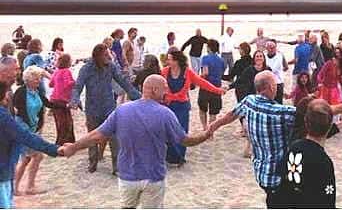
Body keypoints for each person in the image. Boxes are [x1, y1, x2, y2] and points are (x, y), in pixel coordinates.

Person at [61, 75, 218, 209]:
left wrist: (74, 147)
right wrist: (205, 135)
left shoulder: (122, 110)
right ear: (154, 90)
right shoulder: (165, 114)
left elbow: (96, 135)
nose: (167, 92)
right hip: (153, 177)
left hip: (127, 177)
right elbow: (185, 140)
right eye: (164, 88)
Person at [210, 71, 298, 208]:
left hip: (261, 173)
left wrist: (213, 126)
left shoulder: (249, 101)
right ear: (270, 87)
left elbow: (231, 115)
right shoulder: (281, 112)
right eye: (275, 84)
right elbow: (313, 114)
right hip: (278, 177)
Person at [70, 43, 142, 174]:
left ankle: (117, 167)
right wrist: (74, 100)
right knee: (92, 137)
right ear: (97, 56)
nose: (109, 57)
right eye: (105, 55)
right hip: (92, 108)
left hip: (109, 107)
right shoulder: (86, 69)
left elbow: (123, 82)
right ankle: (93, 163)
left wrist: (138, 97)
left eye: (108, 54)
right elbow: (78, 86)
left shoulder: (111, 67)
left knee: (115, 138)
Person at [0, 81, 61, 208]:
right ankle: (27, 186)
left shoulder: (35, 92)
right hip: (3, 169)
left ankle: (23, 186)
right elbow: (25, 136)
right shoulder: (3, 114)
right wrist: (56, 150)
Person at [161, 48, 224, 165]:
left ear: (177, 60)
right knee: (168, 131)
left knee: (181, 132)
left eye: (169, 59)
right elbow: (156, 85)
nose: (168, 61)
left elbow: (202, 83)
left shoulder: (187, 72)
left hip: (182, 107)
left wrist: (217, 90)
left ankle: (180, 157)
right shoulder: (164, 72)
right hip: (168, 106)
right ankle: (170, 158)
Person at [276, 99, 337, 208]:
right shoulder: (323, 161)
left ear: (305, 121)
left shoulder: (294, 147)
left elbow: (281, 175)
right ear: (330, 126)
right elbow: (328, 198)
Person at [13, 66, 56, 196]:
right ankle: (29, 186)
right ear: (28, 79)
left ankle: (15, 187)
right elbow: (16, 112)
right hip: (24, 130)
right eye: (36, 78)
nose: (39, 81)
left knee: (26, 159)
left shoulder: (37, 92)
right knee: (37, 156)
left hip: (35, 129)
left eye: (39, 78)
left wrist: (64, 105)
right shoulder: (20, 92)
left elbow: (48, 104)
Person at [48, 53, 76, 144]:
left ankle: (62, 140)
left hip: (53, 100)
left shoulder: (56, 71)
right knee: (66, 122)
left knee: (59, 121)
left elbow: (50, 84)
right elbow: (68, 83)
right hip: (62, 100)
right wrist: (75, 83)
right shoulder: (67, 71)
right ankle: (64, 141)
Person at [198, 39, 225, 130]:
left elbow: (205, 73)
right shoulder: (221, 60)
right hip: (217, 87)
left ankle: (205, 127)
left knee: (202, 109)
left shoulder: (205, 58)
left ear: (209, 47)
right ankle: (210, 131)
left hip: (206, 86)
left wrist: (198, 78)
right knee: (213, 112)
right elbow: (222, 72)